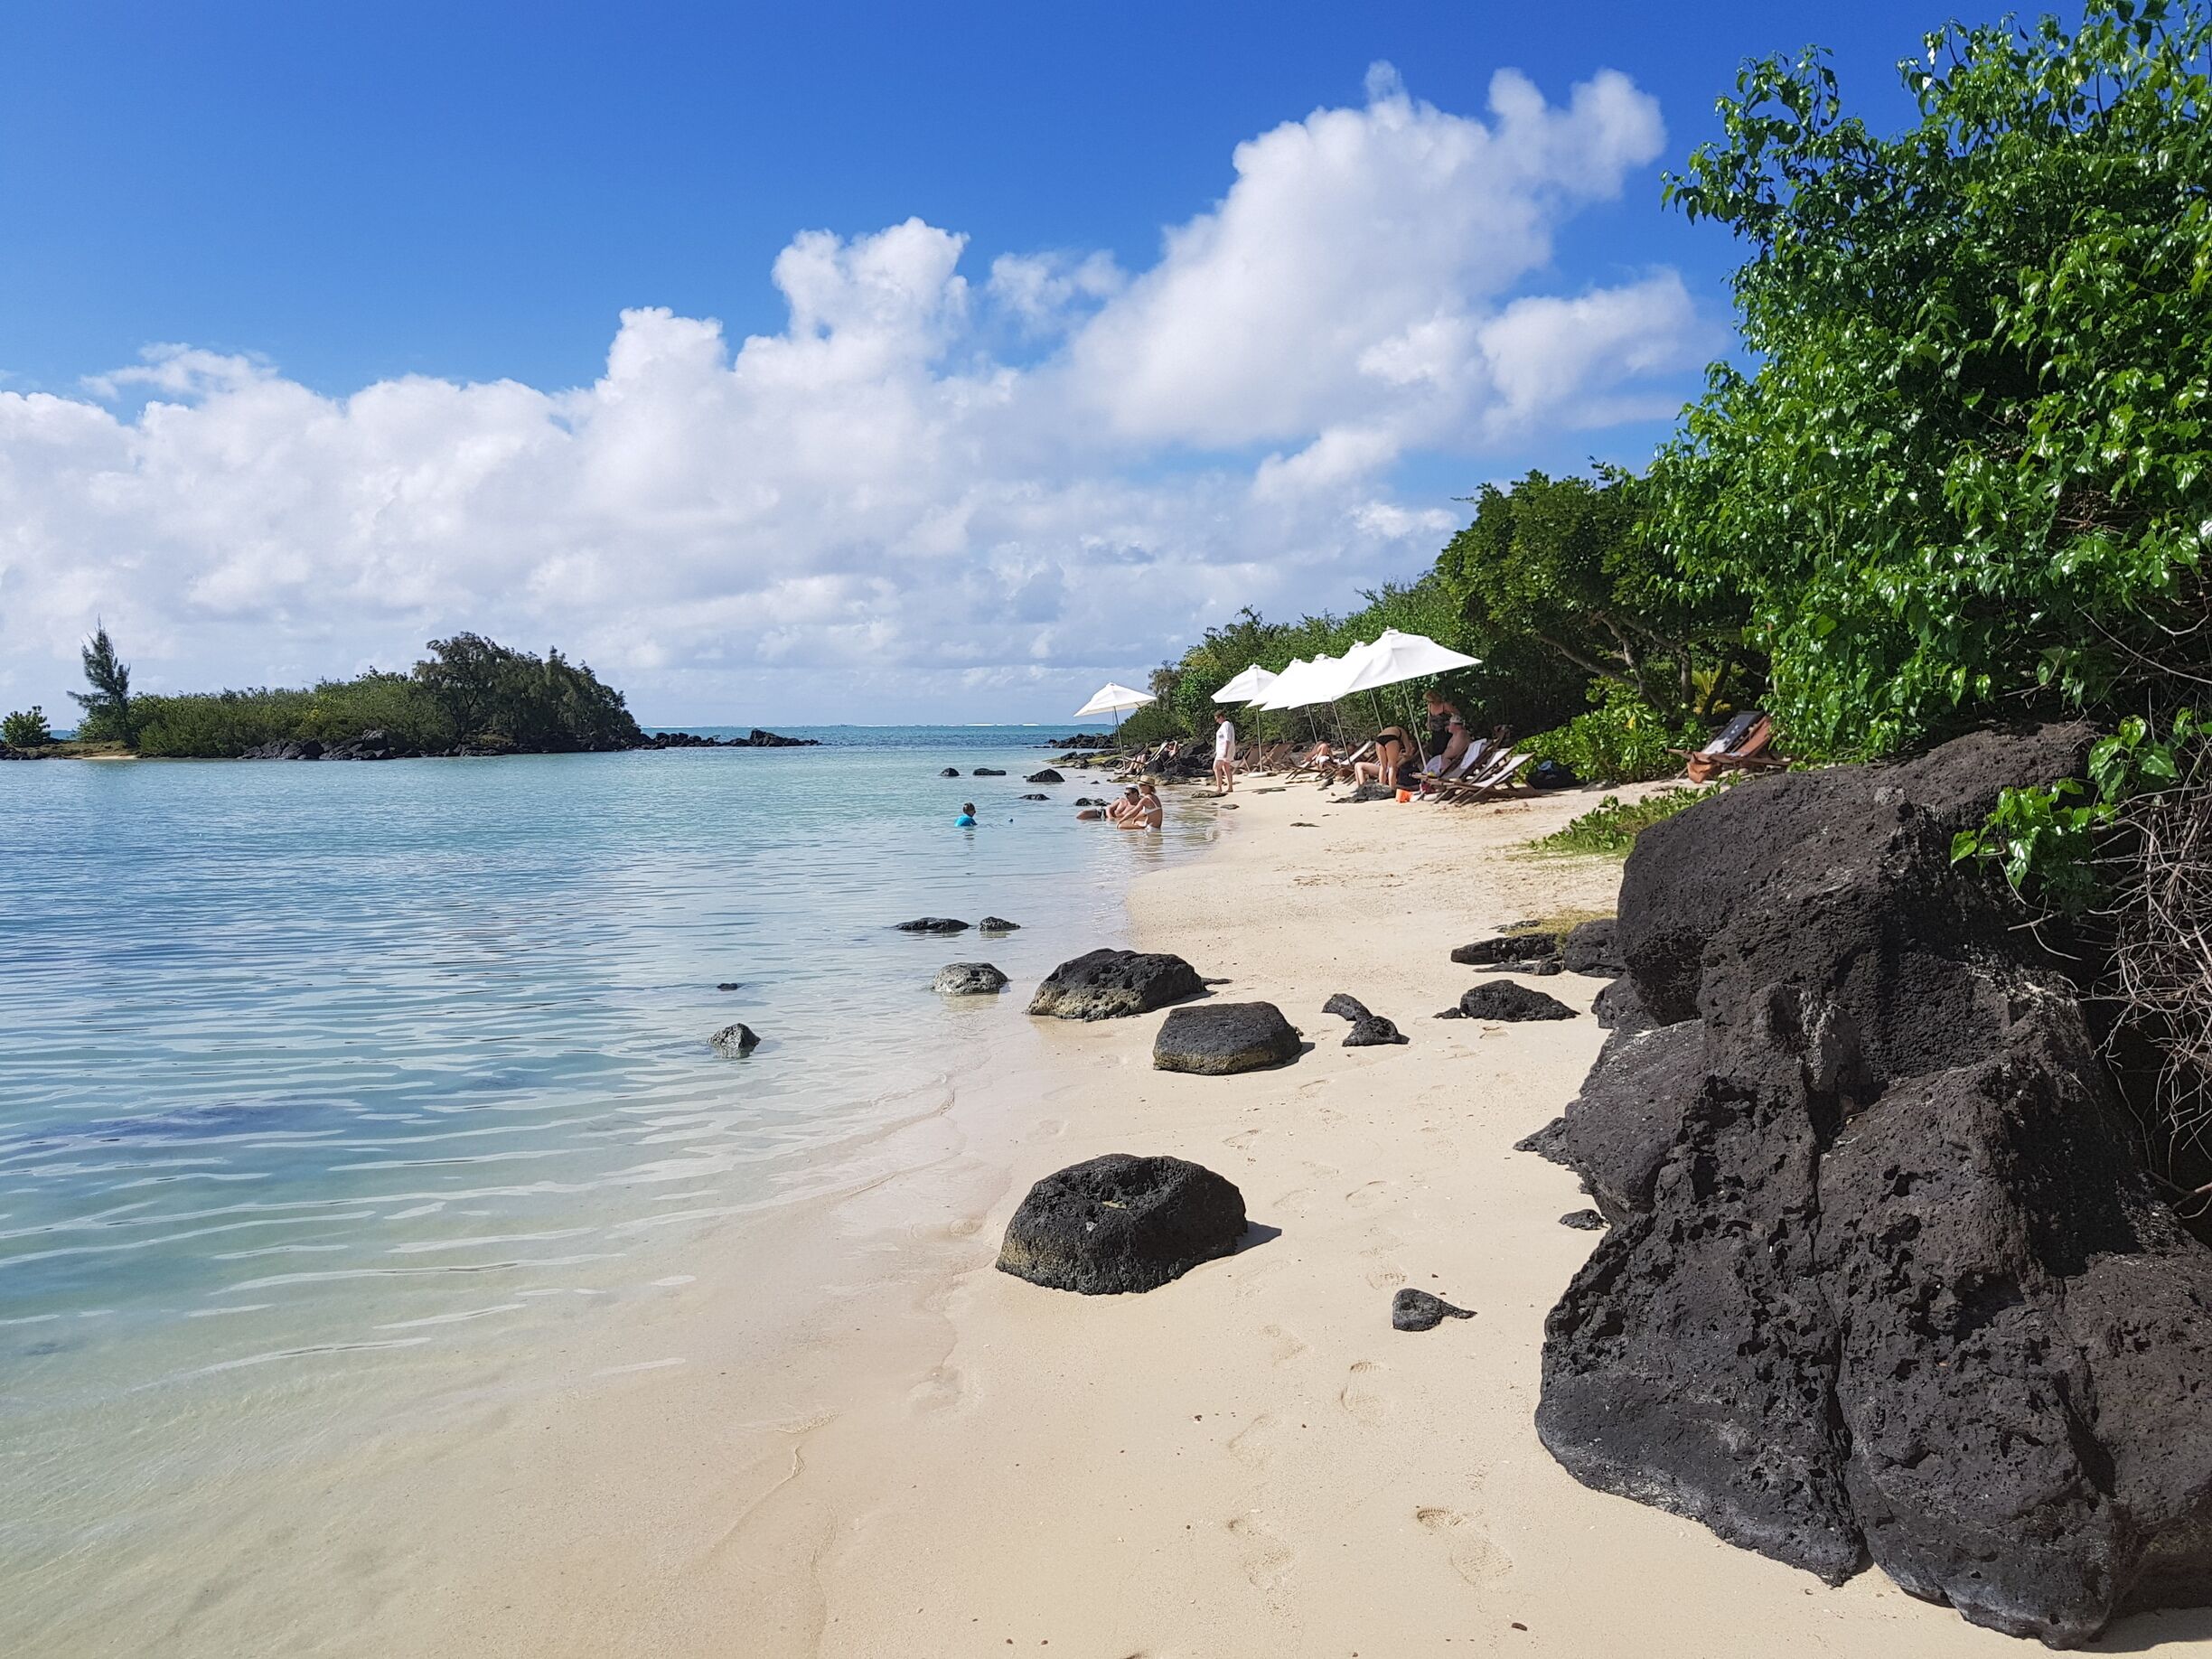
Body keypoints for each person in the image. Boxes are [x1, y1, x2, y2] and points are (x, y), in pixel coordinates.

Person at [1354, 725, 1411, 789]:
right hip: (1391, 738)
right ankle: (1392, 788)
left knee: (1383, 766)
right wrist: (1404, 755)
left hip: (1379, 739)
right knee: (1392, 766)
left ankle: (1381, 789)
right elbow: (1408, 750)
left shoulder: (1388, 729)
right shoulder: (1403, 732)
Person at [1213, 708, 1238, 794]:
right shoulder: (1229, 724)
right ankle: (1230, 787)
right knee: (1226, 768)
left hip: (1224, 750)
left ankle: (1219, 787)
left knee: (1216, 767)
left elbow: (1227, 739)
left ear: (1221, 717)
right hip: (1224, 750)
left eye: (1217, 719)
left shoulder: (1225, 725)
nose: (1216, 721)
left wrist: (1225, 752)